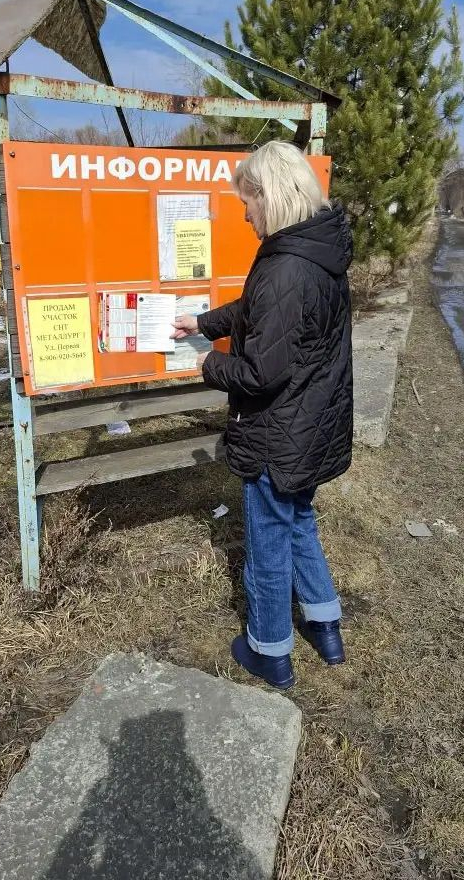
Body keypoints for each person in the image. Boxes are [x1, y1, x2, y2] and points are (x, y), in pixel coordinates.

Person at [173, 140, 353, 690]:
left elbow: (260, 373)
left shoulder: (284, 267)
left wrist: (209, 364)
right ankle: (324, 624)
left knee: (268, 541)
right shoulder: (316, 252)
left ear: (269, 196)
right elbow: (261, 313)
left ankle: (268, 649)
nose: (244, 213)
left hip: (278, 432)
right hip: (312, 425)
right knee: (299, 521)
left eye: (246, 201)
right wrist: (202, 323)